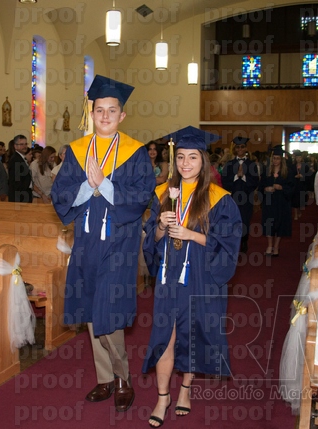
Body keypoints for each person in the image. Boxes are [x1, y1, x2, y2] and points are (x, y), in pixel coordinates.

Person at [51, 75, 156, 413]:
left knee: (107, 309)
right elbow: (61, 193)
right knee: (92, 311)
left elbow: (142, 197)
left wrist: (106, 186)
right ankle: (105, 377)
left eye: (113, 110)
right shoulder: (78, 152)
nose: (106, 116)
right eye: (100, 110)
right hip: (85, 241)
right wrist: (89, 187)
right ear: (92, 113)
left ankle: (122, 377)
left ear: (122, 116)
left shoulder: (135, 153)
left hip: (119, 244)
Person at [142, 127, 241, 427]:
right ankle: (163, 397)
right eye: (181, 157)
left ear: (204, 161)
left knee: (192, 334)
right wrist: (159, 226)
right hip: (167, 278)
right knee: (164, 338)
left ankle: (185, 389)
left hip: (201, 276)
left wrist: (192, 235)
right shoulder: (162, 194)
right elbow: (150, 241)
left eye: (193, 157)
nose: (186, 163)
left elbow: (229, 243)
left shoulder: (220, 199)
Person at [221, 136, 259, 253]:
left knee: (245, 220)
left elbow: (255, 181)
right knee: (233, 220)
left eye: (242, 147)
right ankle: (234, 242)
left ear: (246, 148)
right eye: (238, 147)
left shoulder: (251, 164)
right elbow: (225, 181)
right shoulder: (229, 164)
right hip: (233, 197)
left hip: (247, 198)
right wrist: (236, 177)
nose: (240, 149)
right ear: (235, 149)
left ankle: (244, 241)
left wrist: (244, 177)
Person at [258, 146, 294, 256]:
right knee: (269, 223)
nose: (275, 161)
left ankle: (277, 247)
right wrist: (265, 189)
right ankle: (269, 245)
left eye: (278, 158)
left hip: (282, 202)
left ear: (281, 160)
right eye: (274, 158)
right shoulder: (266, 171)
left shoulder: (288, 172)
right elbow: (261, 186)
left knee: (280, 224)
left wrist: (281, 188)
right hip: (269, 202)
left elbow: (292, 187)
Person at [7, 134, 33, 202]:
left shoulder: (21, 158)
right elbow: (16, 182)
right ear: (15, 146)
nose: (24, 146)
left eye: (25, 144)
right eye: (21, 144)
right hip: (20, 196)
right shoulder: (16, 160)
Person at [291, 150, 311, 220]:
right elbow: (290, 175)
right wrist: (295, 176)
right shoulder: (292, 166)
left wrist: (303, 176)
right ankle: (296, 214)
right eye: (297, 158)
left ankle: (299, 211)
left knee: (300, 200)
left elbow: (309, 176)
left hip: (302, 185)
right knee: (295, 200)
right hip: (295, 185)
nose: (298, 159)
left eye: (299, 157)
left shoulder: (305, 166)